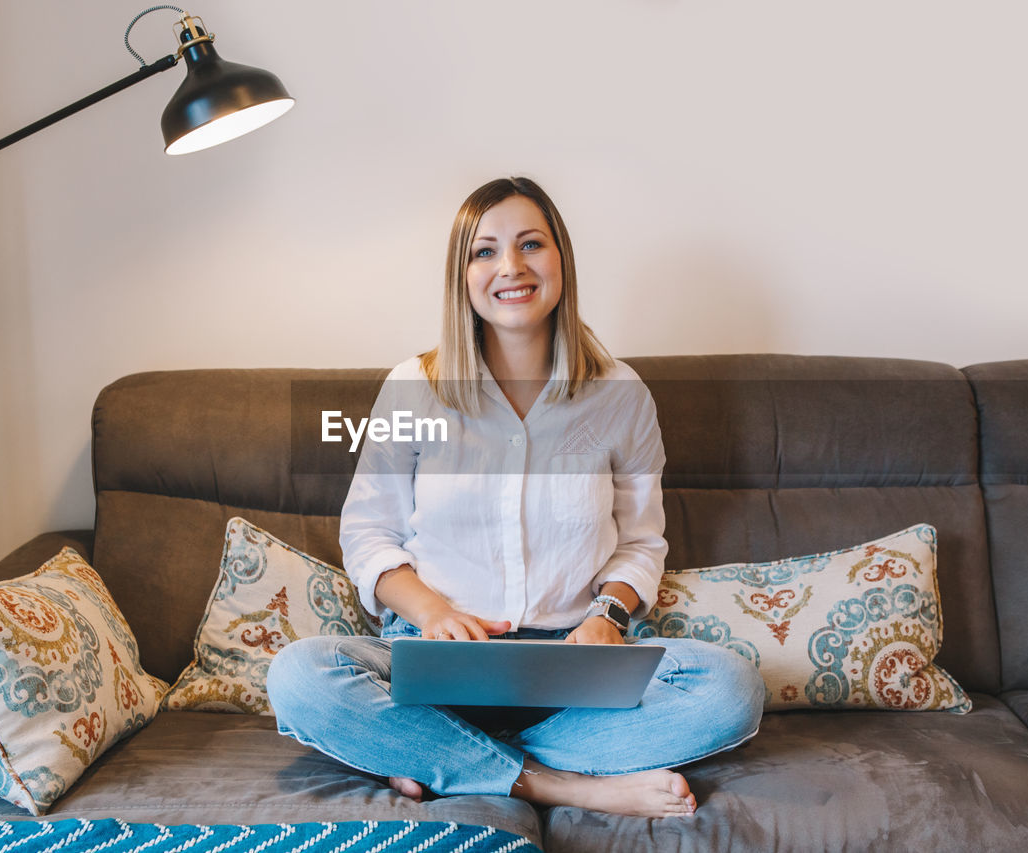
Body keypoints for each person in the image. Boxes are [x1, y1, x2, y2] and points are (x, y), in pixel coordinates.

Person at [267, 177, 764, 819]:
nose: (511, 267)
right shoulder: (412, 387)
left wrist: (606, 617)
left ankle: (441, 761)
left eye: (531, 244)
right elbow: (368, 534)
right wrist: (432, 613)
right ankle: (559, 783)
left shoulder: (622, 395)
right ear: (462, 274)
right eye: (485, 251)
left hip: (569, 666)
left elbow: (642, 541)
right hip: (431, 660)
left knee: (729, 688)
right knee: (301, 676)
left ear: (562, 260)